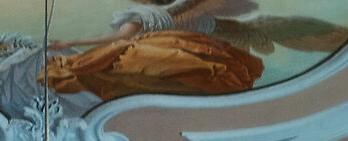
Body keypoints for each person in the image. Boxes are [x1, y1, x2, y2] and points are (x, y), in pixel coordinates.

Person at [45, 0, 266, 100]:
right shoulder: (167, 12)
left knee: (91, 73)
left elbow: (123, 37)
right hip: (178, 45)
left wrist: (70, 42)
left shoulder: (141, 13)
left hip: (149, 52)